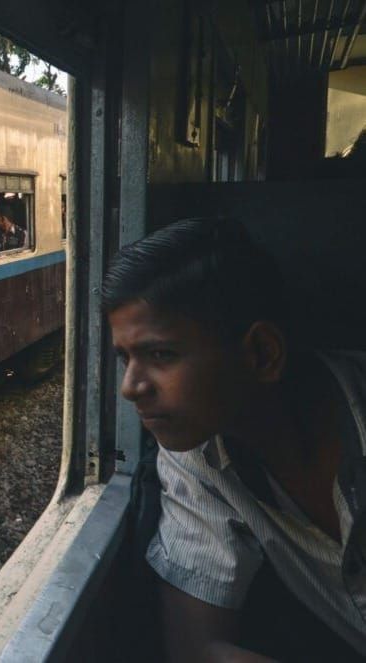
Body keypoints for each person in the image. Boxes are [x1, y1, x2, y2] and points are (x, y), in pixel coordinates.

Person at [102, 218, 366, 662]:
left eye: (161, 354)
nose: (130, 387)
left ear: (261, 353)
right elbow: (198, 649)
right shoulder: (196, 455)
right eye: (125, 359)